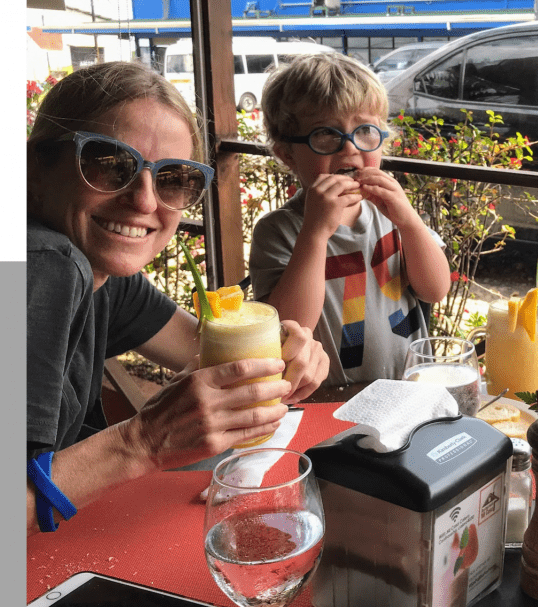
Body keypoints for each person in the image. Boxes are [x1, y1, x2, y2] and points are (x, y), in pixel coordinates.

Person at [27, 61, 330, 535]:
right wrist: (141, 442)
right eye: (109, 165)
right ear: (34, 168)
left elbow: (202, 348)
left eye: (173, 178)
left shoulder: (104, 276)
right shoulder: (44, 263)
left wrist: (287, 351)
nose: (146, 201)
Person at [250, 52, 450, 387]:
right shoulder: (280, 230)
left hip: (409, 388)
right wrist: (315, 233)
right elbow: (287, 328)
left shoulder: (391, 214)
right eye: (325, 134)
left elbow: (435, 289)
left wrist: (411, 224)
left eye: (366, 130)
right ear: (287, 154)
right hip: (325, 400)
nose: (349, 148)